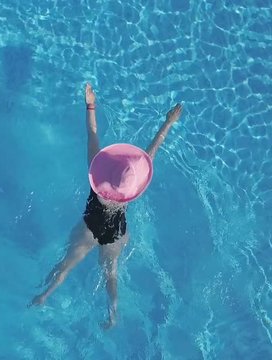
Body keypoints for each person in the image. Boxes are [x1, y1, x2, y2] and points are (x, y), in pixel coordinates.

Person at [30, 83, 183, 329]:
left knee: (65, 266)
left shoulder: (96, 176)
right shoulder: (131, 194)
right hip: (117, 234)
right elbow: (153, 149)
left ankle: (44, 297)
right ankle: (112, 314)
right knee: (111, 275)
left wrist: (90, 104)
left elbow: (92, 132)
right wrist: (168, 122)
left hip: (89, 228)